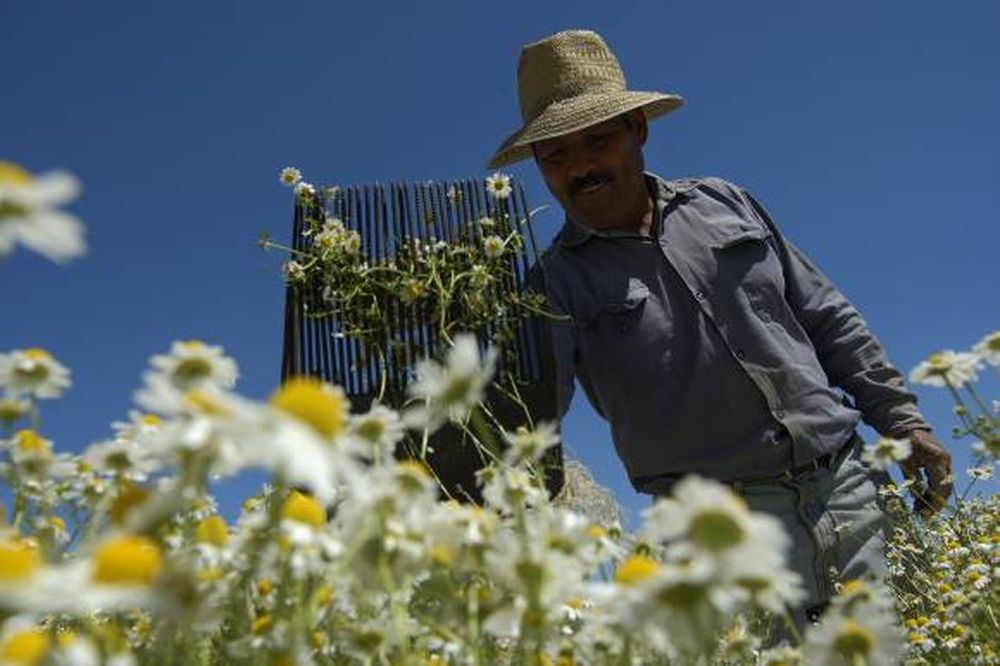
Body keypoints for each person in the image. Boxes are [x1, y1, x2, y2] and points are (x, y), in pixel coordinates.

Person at [487, 29, 953, 626]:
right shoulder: (552, 285)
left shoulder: (724, 203)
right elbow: (529, 419)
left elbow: (826, 318)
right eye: (555, 154)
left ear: (639, 131)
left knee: (922, 645)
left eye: (597, 140)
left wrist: (903, 421)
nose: (579, 164)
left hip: (853, 487)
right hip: (721, 542)